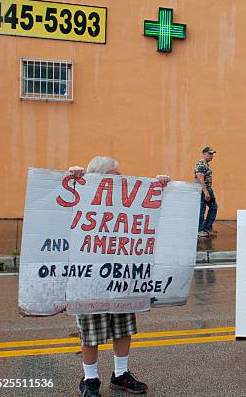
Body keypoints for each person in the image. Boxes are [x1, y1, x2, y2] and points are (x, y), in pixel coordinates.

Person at [68, 156, 170, 397]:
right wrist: (72, 179)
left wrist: (159, 188)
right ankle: (90, 379)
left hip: (122, 276)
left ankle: (120, 374)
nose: (121, 180)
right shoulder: (82, 194)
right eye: (116, 176)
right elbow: (61, 204)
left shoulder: (128, 202)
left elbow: (153, 215)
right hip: (90, 280)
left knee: (123, 328)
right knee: (91, 331)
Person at [195, 146, 218, 238]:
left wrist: (208, 191)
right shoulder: (201, 164)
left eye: (212, 154)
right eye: (210, 153)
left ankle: (207, 227)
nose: (212, 155)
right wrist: (205, 192)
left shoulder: (206, 164)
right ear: (204, 154)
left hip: (208, 190)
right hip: (202, 190)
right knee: (202, 209)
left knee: (213, 207)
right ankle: (200, 230)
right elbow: (200, 178)